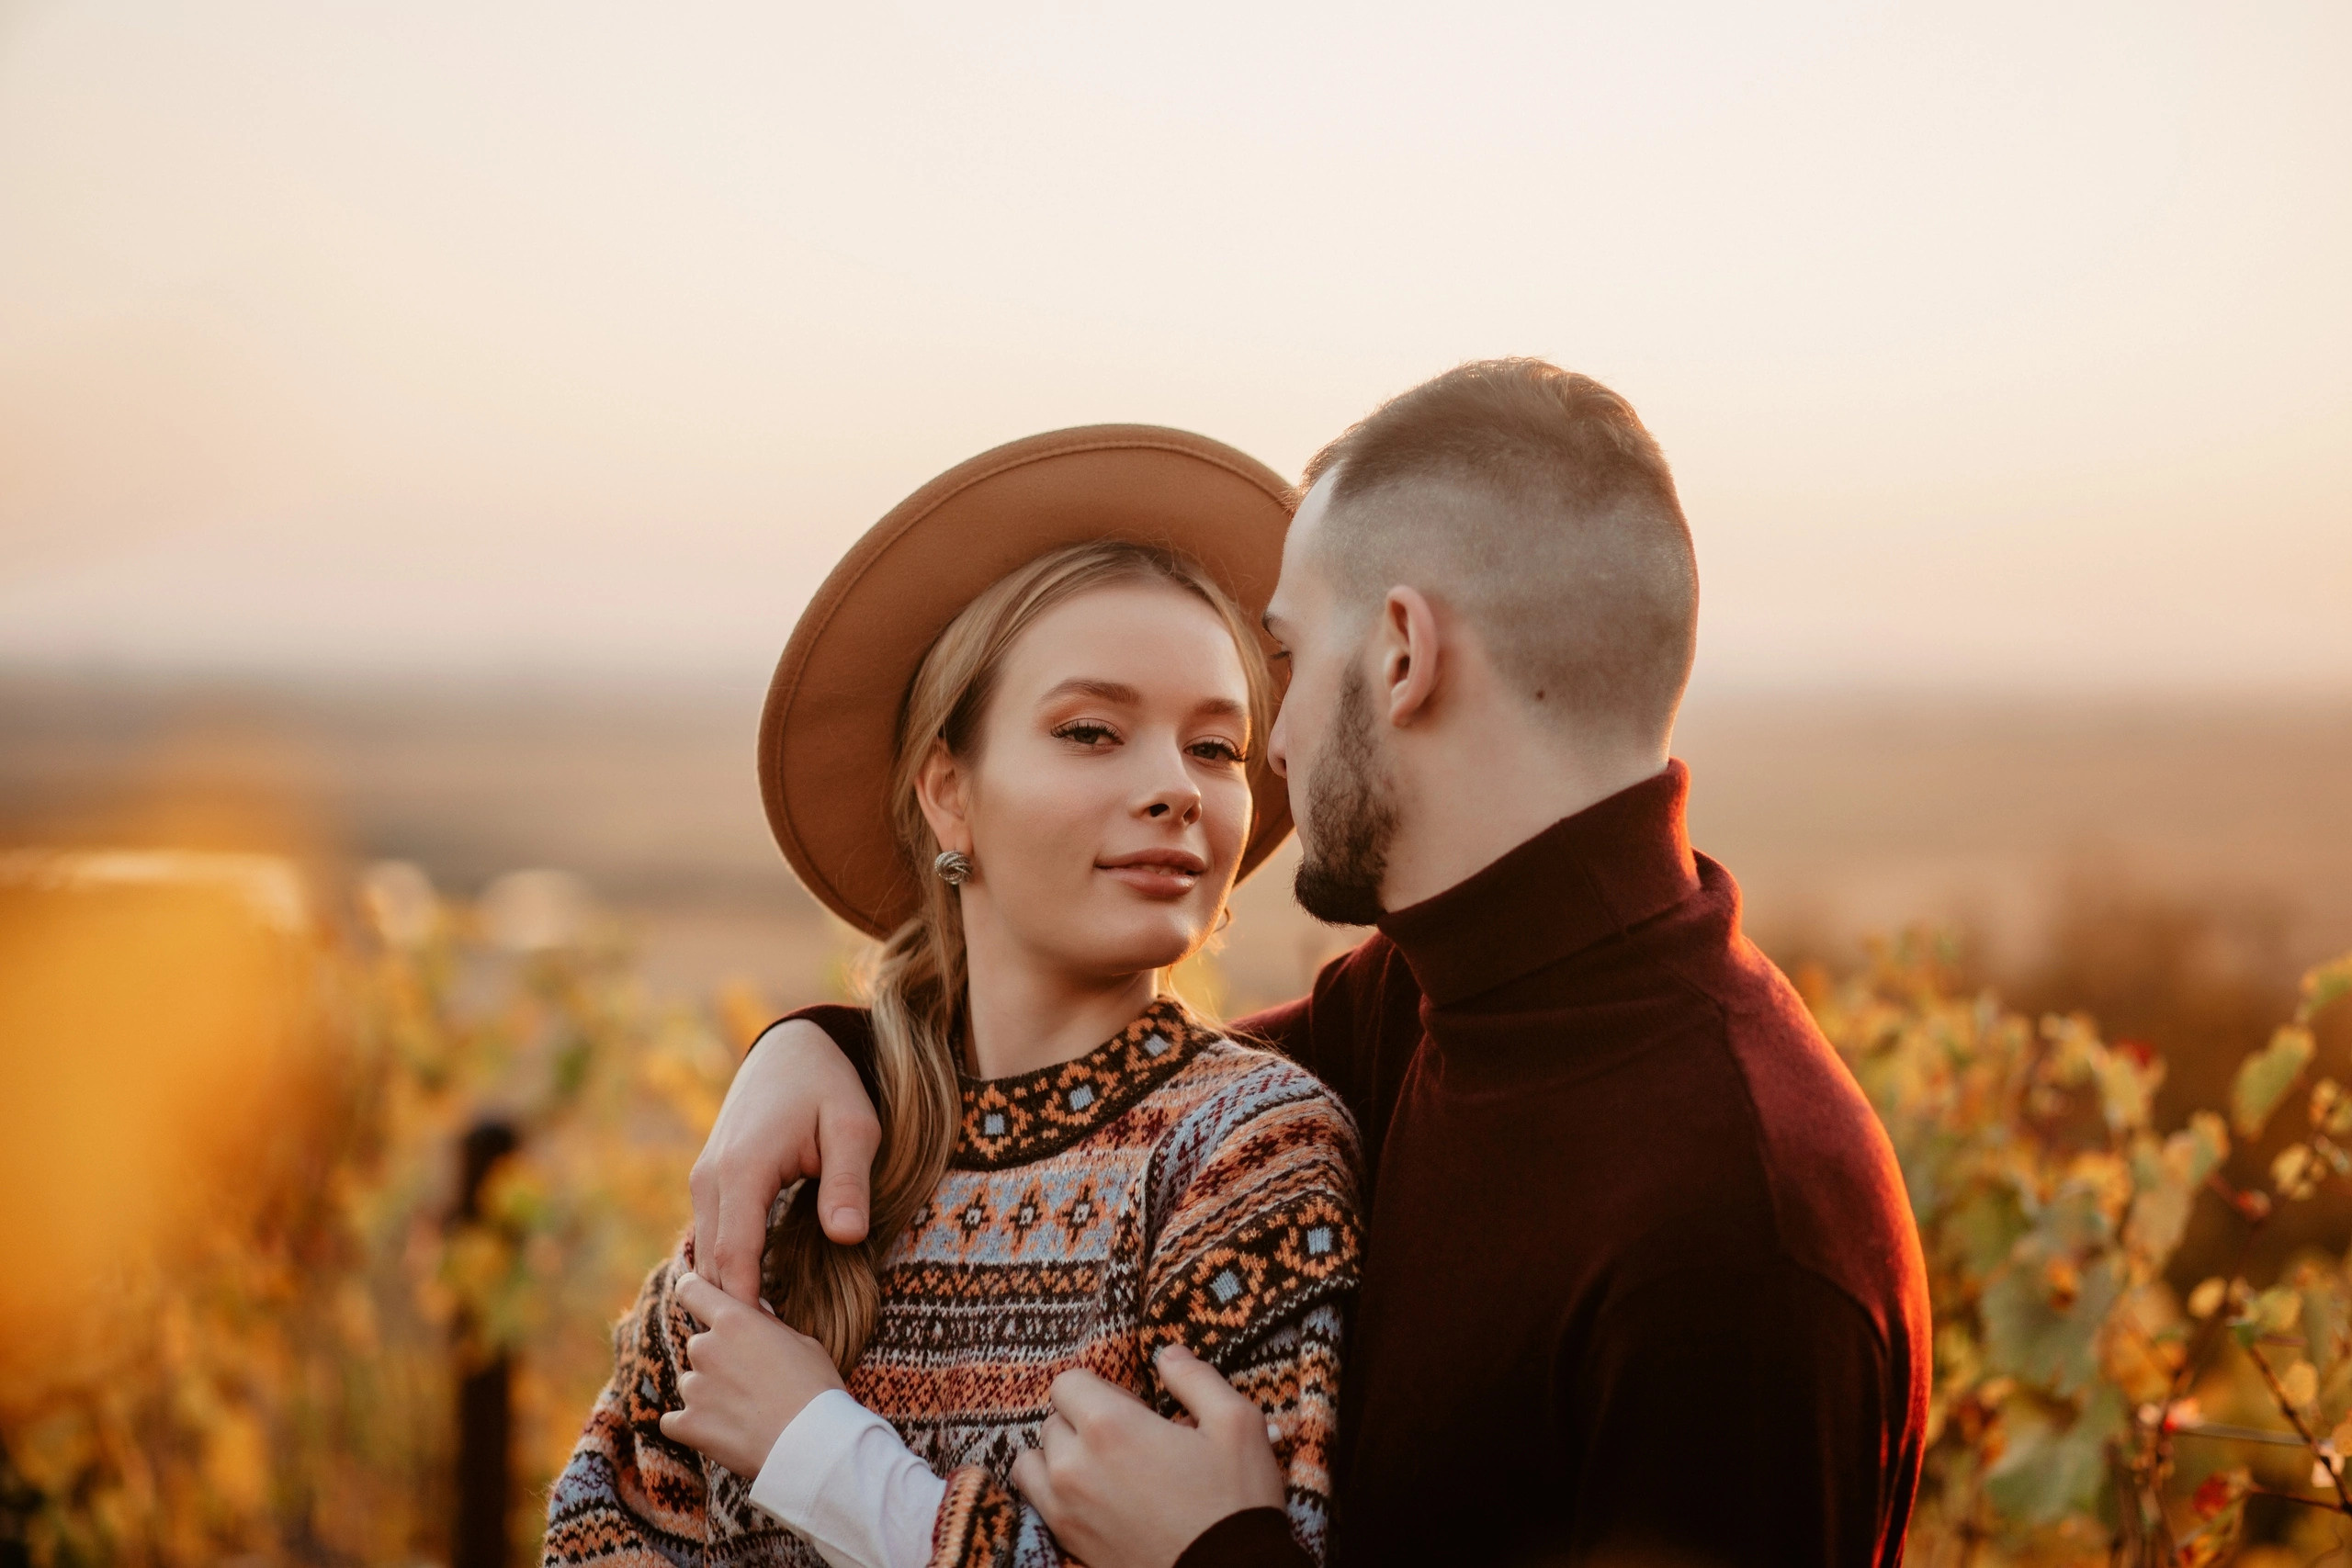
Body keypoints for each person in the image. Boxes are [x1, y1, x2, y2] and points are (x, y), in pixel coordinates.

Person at [687, 362, 1935, 1568]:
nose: (1270, 748)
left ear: (1401, 653)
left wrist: (1216, 1554)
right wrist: (826, 1047)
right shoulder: (1431, 1005)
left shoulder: (1742, 1230)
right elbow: (1089, 1084)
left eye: (1281, 667)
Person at [543, 430, 1365, 1568]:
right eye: (1091, 732)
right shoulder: (802, 1167)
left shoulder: (1242, 1156)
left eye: (1216, 746)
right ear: (949, 794)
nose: (1174, 788)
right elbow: (603, 1534)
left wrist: (817, 1448)